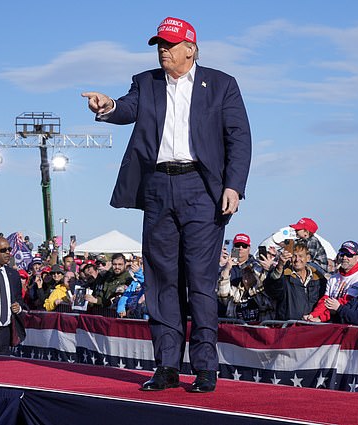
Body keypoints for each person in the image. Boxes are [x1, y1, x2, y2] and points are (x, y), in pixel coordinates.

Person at [81, 16, 251, 392]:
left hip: (201, 189)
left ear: (190, 49)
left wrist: (234, 187)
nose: (163, 50)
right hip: (158, 187)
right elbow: (126, 108)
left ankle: (206, 367)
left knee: (200, 282)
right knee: (161, 282)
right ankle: (167, 367)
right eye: (159, 43)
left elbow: (239, 138)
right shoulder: (146, 82)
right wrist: (107, 105)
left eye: (170, 44)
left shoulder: (222, 85)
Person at [304, 241, 358, 323]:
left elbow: (347, 303)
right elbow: (324, 300)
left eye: (349, 255)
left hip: (348, 322)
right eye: (342, 253)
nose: (344, 257)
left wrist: (321, 318)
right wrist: (313, 315)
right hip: (332, 321)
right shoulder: (333, 278)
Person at [262, 242, 327, 321]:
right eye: (294, 256)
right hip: (288, 328)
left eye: (300, 256)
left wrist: (318, 317)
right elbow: (273, 290)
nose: (297, 260)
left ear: (308, 258)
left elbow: (324, 302)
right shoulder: (284, 276)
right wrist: (280, 266)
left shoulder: (319, 279)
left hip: (312, 328)